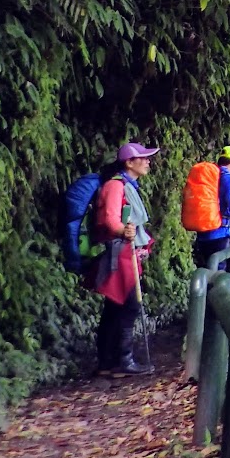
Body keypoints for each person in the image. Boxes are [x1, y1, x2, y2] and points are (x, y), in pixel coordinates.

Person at [88, 142, 157, 376]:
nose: (147, 161)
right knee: (129, 304)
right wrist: (123, 231)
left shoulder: (126, 186)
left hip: (124, 253)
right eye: (143, 158)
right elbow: (111, 220)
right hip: (119, 254)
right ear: (129, 162)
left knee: (116, 306)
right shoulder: (116, 186)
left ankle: (108, 363)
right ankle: (123, 361)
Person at [192, 145, 230, 272]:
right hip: (220, 235)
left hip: (202, 234)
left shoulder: (208, 178)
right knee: (219, 274)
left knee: (205, 273)